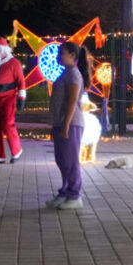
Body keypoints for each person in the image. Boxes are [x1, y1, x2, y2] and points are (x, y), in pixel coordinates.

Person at [48, 41, 86, 210]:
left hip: (71, 123)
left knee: (70, 160)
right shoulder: (65, 73)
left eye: (61, 53)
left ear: (72, 55)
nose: (58, 56)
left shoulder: (73, 74)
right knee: (62, 160)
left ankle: (74, 195)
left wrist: (65, 126)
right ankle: (65, 191)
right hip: (60, 123)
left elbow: (72, 101)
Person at [0, 37, 27, 163]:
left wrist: (21, 97)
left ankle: (17, 151)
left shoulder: (14, 63)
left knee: (8, 124)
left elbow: (20, 81)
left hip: (8, 99)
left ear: (4, 50)